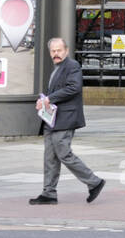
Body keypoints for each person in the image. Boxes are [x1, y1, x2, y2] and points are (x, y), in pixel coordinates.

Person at [30, 37, 105, 205]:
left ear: (66, 50)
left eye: (59, 50)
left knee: (64, 154)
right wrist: (43, 101)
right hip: (52, 119)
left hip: (65, 118)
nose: (56, 54)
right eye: (53, 51)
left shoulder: (72, 66)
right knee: (50, 157)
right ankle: (48, 193)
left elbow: (74, 87)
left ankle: (94, 182)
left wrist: (49, 99)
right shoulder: (57, 68)